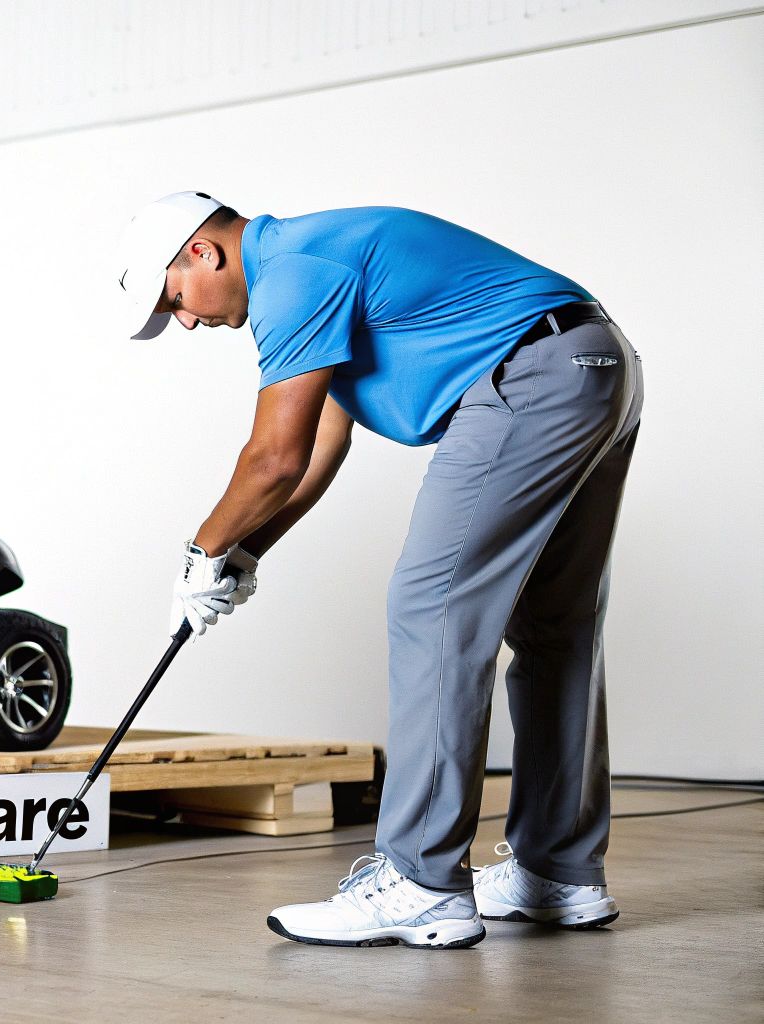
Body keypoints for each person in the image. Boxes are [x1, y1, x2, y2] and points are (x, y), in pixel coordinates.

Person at [114, 192, 643, 949]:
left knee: (430, 611)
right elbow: (321, 446)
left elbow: (273, 457)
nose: (189, 321)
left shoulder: (291, 277)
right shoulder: (316, 260)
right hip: (593, 364)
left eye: (176, 300)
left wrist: (201, 553)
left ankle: (421, 883)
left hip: (528, 377)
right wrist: (250, 552)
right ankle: (559, 872)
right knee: (556, 627)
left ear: (202, 251)